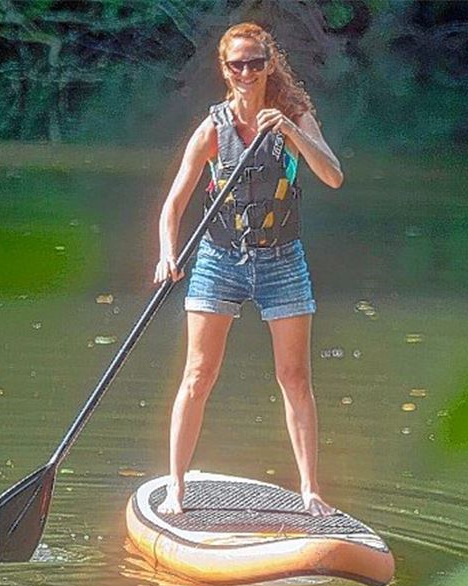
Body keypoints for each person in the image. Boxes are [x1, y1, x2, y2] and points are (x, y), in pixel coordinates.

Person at [153, 22, 344, 517]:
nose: (247, 72)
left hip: (282, 261)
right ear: (225, 69)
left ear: (269, 65)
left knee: (295, 377)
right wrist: (166, 254)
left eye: (255, 63)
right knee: (198, 373)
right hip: (220, 260)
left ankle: (310, 491)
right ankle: (176, 486)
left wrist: (291, 131)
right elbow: (173, 204)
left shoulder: (293, 116)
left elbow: (333, 176)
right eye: (237, 64)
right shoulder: (212, 129)